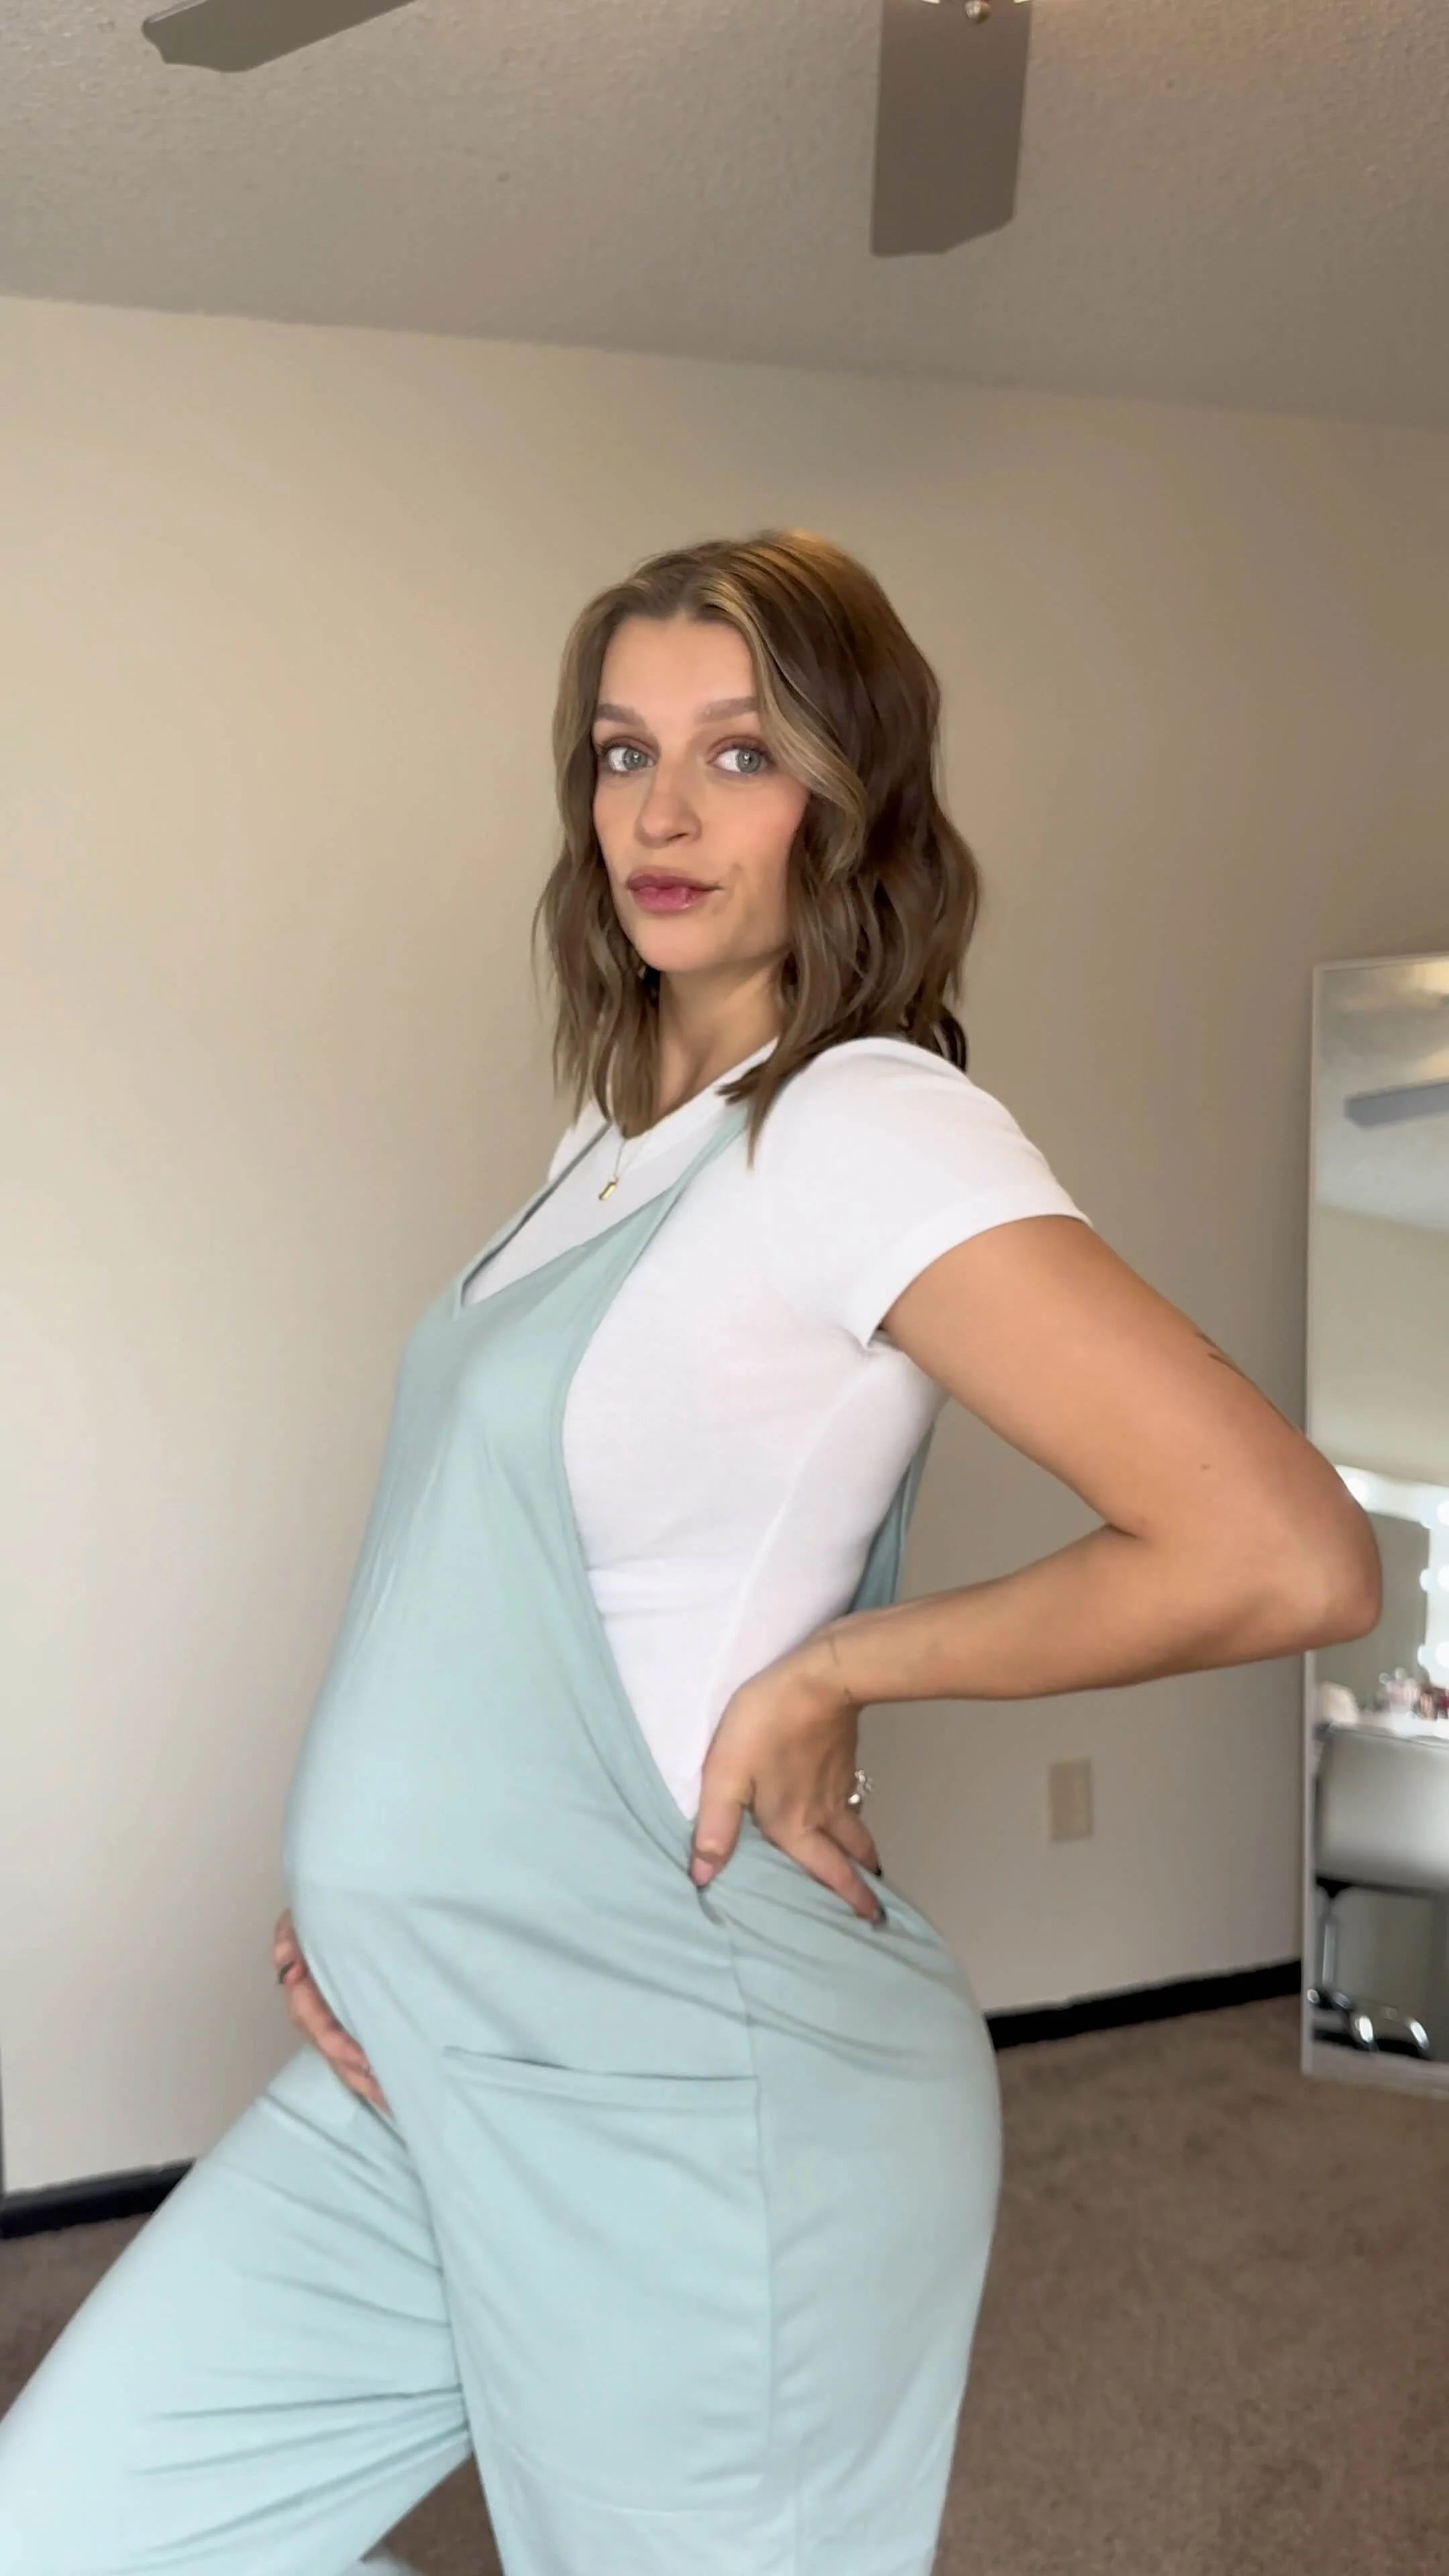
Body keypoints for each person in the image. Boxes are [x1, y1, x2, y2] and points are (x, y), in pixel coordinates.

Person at [0, 529, 1380, 2576]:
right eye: (621, 750)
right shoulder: (612, 1141)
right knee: (68, 2528)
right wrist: (378, 1904)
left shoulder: (860, 1127)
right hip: (440, 2052)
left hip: (685, 2097)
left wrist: (839, 1673)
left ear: (854, 796)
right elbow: (496, 1592)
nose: (661, 811)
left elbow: (1287, 1553)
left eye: (742, 754)